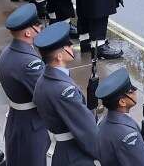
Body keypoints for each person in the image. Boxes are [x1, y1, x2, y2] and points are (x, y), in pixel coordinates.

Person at [34, 21, 103, 164]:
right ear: (59, 56)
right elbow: (87, 130)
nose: (71, 46)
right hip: (73, 156)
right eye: (67, 45)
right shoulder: (65, 91)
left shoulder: (43, 80)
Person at [0, 3, 49, 165]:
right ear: (28, 32)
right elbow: (47, 95)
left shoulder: (7, 53)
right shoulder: (29, 63)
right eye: (37, 26)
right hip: (32, 126)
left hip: (16, 120)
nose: (40, 29)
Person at [96, 68, 144, 166]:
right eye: (130, 91)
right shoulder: (128, 135)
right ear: (122, 102)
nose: (135, 91)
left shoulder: (103, 122)